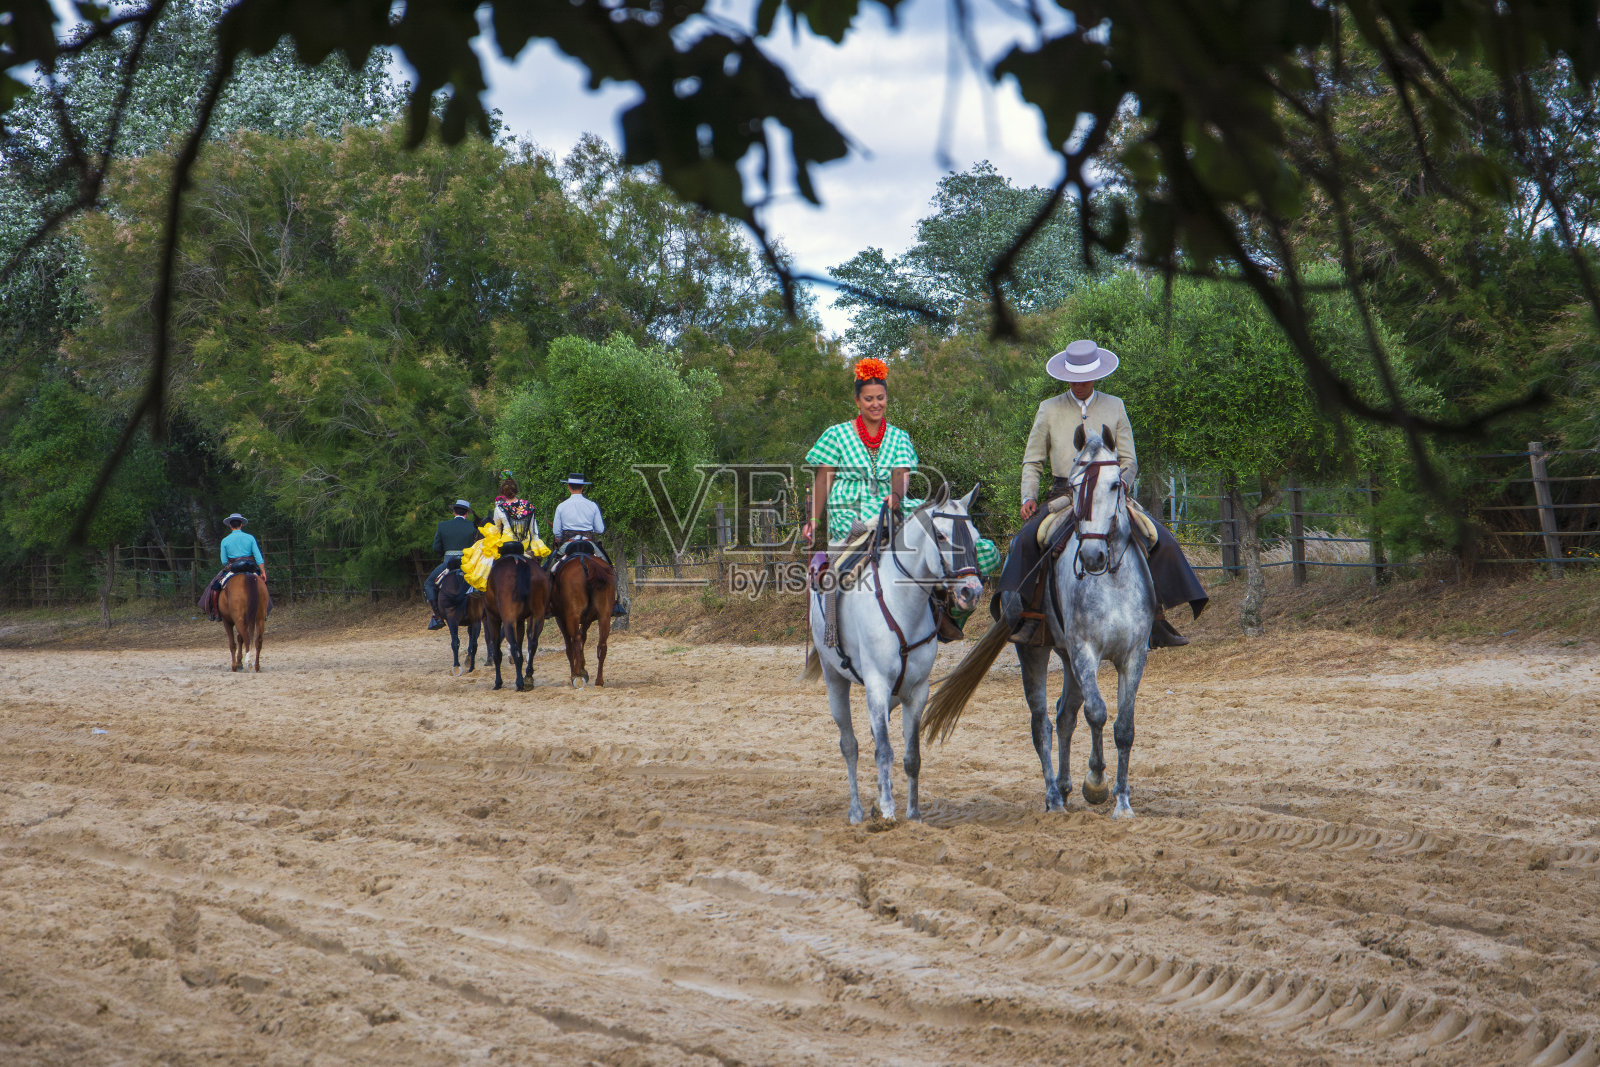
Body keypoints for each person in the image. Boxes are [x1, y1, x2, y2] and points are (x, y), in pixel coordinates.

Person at [995, 339, 1208, 646]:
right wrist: (1028, 497)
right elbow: (1033, 459)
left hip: (1111, 491)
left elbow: (1129, 460)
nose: (1079, 383)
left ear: (1096, 375)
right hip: (1064, 494)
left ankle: (1157, 618)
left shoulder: (1115, 405)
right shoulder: (1049, 409)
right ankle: (1028, 617)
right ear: (1066, 375)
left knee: (1156, 536)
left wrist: (1119, 485)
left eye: (1085, 377)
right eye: (1074, 377)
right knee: (1027, 540)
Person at [803, 357, 997, 645]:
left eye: (880, 398)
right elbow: (823, 480)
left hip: (891, 504)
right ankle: (835, 628)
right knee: (841, 565)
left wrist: (895, 495)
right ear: (857, 401)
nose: (875, 404)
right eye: (868, 399)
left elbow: (901, 476)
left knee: (980, 550)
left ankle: (950, 613)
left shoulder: (898, 437)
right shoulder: (837, 434)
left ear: (886, 398)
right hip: (850, 512)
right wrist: (814, 520)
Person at [550, 473, 626, 616]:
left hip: (568, 543)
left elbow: (557, 532)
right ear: (583, 487)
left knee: (550, 568)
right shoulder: (592, 505)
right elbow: (600, 529)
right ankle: (614, 603)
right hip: (588, 543)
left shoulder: (561, 506)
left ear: (568, 487)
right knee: (609, 568)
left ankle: (548, 603)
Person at [199, 512, 270, 621]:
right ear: (241, 524)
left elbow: (223, 561)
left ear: (230, 526)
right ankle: (264, 611)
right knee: (262, 586)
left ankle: (216, 613)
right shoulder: (250, 538)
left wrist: (229, 565)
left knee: (215, 586)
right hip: (250, 567)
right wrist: (263, 571)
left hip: (233, 568)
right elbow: (258, 557)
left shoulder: (225, 540)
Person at [425, 499, 479, 630]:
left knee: (429, 583)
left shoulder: (442, 526)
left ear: (454, 512)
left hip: (449, 564)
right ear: (467, 513)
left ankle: (437, 616)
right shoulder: (473, 526)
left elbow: (436, 548)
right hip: (468, 565)